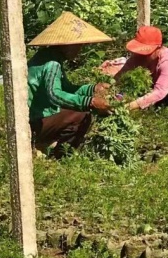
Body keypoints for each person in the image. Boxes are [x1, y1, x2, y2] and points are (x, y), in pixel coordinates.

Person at [27, 11, 112, 155]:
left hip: (37, 114)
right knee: (81, 115)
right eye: (77, 46)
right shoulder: (52, 63)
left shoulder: (50, 57)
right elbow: (55, 95)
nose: (79, 50)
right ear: (67, 45)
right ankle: (62, 155)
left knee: (80, 110)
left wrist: (92, 89)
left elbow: (66, 89)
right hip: (33, 119)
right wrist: (90, 102)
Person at [114, 25, 168, 116]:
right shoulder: (138, 58)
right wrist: (109, 91)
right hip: (164, 93)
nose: (142, 56)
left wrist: (130, 106)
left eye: (146, 53)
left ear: (158, 48)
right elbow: (122, 75)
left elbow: (161, 91)